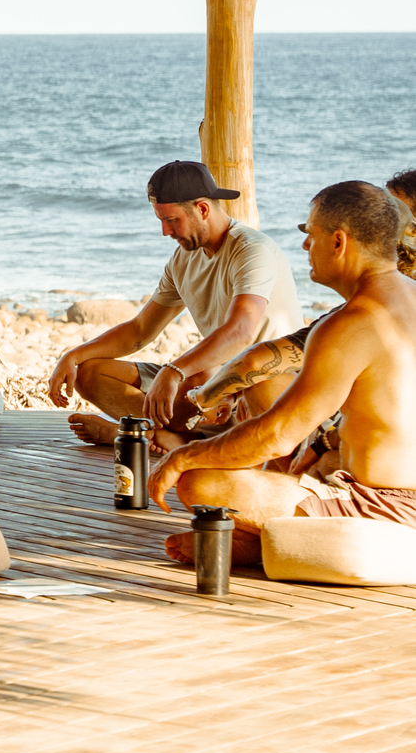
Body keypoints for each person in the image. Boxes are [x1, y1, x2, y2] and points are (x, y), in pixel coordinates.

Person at [151, 181, 416, 565]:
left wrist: (183, 457)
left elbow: (275, 436)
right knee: (301, 451)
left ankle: (265, 547)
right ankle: (271, 542)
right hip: (385, 487)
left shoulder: (350, 323)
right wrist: (324, 446)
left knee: (200, 481)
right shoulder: (409, 295)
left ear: (339, 242)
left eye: (311, 235)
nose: (306, 247)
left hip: (384, 507)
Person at [45, 160, 304, 448]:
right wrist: (73, 356)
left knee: (198, 376)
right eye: (161, 221)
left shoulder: (252, 251)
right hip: (208, 387)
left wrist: (174, 371)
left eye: (171, 220)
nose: (165, 232)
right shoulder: (183, 259)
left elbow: (240, 331)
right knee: (89, 373)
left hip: (259, 386)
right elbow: (140, 330)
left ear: (202, 209)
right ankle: (165, 437)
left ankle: (141, 436)